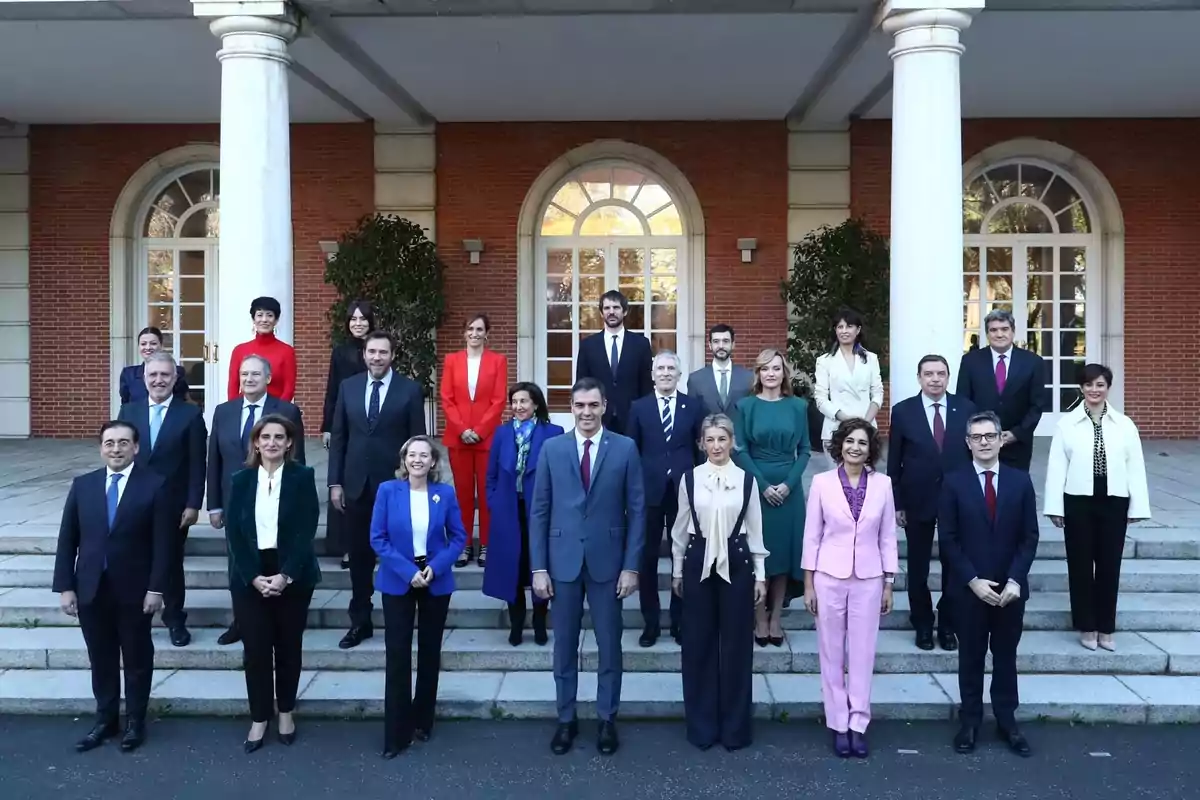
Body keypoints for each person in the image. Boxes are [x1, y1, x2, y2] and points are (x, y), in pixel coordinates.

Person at [530, 377, 646, 756]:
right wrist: (538, 568)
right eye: (579, 406)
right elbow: (540, 511)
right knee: (563, 646)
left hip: (608, 564)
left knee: (609, 646)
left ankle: (607, 719)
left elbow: (638, 511)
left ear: (604, 406)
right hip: (561, 564)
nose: (586, 413)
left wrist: (631, 567)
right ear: (571, 407)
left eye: (593, 405)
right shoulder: (552, 449)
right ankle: (566, 719)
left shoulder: (625, 448)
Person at [53, 421, 173, 753]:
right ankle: (106, 720)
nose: (116, 449)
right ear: (101, 448)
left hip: (135, 590)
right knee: (101, 659)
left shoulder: (155, 486)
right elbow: (68, 540)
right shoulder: (83, 485)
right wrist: (65, 586)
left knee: (136, 659)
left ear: (136, 447)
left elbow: (164, 545)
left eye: (123, 442)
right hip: (91, 588)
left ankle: (135, 722)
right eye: (109, 443)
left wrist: (157, 588)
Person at [939, 411, 1039, 758]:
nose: (984, 442)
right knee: (970, 657)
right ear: (967, 443)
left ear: (1000, 439)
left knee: (1006, 657)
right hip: (970, 590)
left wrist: (1015, 579)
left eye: (990, 436)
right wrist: (972, 580)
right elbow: (948, 539)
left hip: (1010, 590)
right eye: (976, 437)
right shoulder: (953, 482)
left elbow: (1029, 537)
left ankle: (1007, 721)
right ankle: (970, 721)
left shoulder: (1020, 481)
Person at [223, 414, 320, 753]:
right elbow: (234, 533)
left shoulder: (303, 477)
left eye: (279, 437)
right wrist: (252, 576)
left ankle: (286, 712)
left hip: (291, 571)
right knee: (256, 651)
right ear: (256, 442)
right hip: (250, 574)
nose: (272, 443)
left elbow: (307, 529)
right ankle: (259, 716)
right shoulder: (241, 479)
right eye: (265, 437)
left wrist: (285, 575)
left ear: (289, 443)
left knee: (289, 648)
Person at [671, 413, 767, 751]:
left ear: (731, 442)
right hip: (698, 562)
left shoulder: (745, 481)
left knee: (736, 648)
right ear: (701, 443)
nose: (716, 446)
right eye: (709, 439)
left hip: (738, 563)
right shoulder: (690, 479)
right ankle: (701, 726)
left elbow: (755, 529)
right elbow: (680, 530)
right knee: (698, 646)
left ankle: (735, 729)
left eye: (722, 439)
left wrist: (761, 575)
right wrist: (678, 570)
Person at [802, 420, 898, 759]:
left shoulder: (883, 485)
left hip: (869, 579)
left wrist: (889, 582)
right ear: (840, 445)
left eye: (863, 442)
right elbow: (812, 535)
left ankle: (858, 723)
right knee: (831, 653)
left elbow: (887, 536)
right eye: (850, 441)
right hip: (829, 576)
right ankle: (838, 723)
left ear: (871, 449)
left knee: (862, 654)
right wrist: (809, 585)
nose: (855, 447)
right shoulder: (822, 483)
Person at [328, 330, 427, 650]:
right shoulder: (349, 387)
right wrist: (335, 482)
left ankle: (399, 619)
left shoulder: (410, 390)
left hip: (396, 487)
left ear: (392, 356)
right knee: (359, 557)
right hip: (356, 485)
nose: (376, 358)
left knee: (398, 553)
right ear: (364, 354)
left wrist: (416, 485)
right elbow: (340, 438)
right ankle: (360, 620)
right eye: (371, 352)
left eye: (383, 353)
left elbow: (418, 442)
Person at [371, 436, 467, 758]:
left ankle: (422, 720)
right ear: (404, 459)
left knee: (429, 654)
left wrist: (436, 568)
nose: (417, 460)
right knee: (397, 656)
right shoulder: (387, 491)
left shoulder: (445, 494)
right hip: (399, 579)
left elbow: (458, 537)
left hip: (434, 580)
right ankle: (395, 732)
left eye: (424, 455)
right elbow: (377, 538)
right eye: (412, 454)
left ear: (433, 462)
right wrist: (405, 570)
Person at [1043, 363, 1151, 651]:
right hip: (1077, 500)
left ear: (1108, 388)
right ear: (1081, 388)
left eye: (1100, 385)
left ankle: (1106, 627)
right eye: (1089, 385)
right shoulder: (1066, 424)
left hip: (1114, 500)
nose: (1094, 390)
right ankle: (1087, 626)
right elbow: (1056, 466)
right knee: (1079, 565)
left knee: (1109, 566)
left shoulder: (1125, 424)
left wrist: (1137, 507)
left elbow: (1135, 467)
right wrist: (1055, 506)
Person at [206, 355, 306, 646]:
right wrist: (214, 504)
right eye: (244, 374)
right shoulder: (224, 411)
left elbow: (296, 457)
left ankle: (276, 617)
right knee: (238, 561)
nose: (248, 379)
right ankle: (242, 621)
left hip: (274, 498)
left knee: (272, 554)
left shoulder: (286, 410)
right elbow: (215, 459)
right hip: (235, 500)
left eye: (255, 374)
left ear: (268, 378)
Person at [886, 355, 976, 652]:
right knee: (918, 568)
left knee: (955, 565)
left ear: (948, 377)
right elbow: (894, 461)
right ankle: (922, 623)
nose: (935, 379)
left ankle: (949, 623)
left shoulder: (966, 409)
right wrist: (897, 502)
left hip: (957, 499)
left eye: (941, 373)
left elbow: (976, 455)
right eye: (929, 374)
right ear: (919, 378)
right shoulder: (903, 412)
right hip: (917, 499)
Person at [118, 351, 206, 648]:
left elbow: (197, 462)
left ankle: (175, 618)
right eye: (153, 375)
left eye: (165, 375)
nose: (159, 380)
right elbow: (119, 457)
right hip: (135, 502)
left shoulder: (190, 414)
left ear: (175, 378)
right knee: (134, 560)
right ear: (144, 378)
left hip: (174, 504)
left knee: (170, 561)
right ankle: (135, 616)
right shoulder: (129, 412)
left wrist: (194, 503)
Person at [627, 350, 704, 647]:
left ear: (679, 374)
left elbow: (700, 450)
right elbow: (631, 452)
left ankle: (679, 620)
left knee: (681, 556)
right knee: (647, 559)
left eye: (671, 368)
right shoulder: (639, 407)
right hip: (648, 492)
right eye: (660, 368)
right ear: (652, 374)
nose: (666, 373)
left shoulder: (693, 406)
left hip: (684, 491)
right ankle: (651, 623)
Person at [734, 349, 811, 647]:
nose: (771, 374)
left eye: (776, 368)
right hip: (755, 485)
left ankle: (776, 616)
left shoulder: (798, 407)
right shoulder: (745, 406)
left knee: (782, 555)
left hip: (789, 490)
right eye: (765, 368)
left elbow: (805, 450)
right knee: (759, 552)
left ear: (784, 373)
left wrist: (789, 485)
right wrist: (763, 485)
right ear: (758, 374)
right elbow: (740, 451)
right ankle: (759, 618)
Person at [482, 382, 564, 646]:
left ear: (536, 404)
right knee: (511, 569)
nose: (518, 407)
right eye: (514, 402)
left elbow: (559, 474)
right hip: (508, 510)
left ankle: (540, 622)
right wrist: (494, 501)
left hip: (539, 510)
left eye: (524, 401)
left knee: (538, 564)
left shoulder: (553, 432)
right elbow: (491, 474)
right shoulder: (502, 433)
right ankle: (516, 624)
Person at [440, 313, 509, 568]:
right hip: (458, 439)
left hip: (487, 438)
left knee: (488, 494)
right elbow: (446, 398)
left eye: (480, 329)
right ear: (464, 332)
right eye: (470, 329)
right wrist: (461, 429)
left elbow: (499, 399)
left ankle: (487, 545)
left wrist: (479, 429)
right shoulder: (451, 360)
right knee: (463, 495)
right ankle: (464, 544)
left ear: (486, 333)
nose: (475, 333)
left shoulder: (498, 361)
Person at [956, 309, 1048, 470]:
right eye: (993, 330)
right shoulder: (970, 361)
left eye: (1004, 329)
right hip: (980, 443)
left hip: (1017, 444)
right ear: (987, 333)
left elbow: (1037, 404)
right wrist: (976, 434)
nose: (999, 334)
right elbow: (963, 401)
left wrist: (1016, 434)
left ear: (1013, 331)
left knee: (1014, 491)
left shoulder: (1033, 362)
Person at [321, 299, 375, 568]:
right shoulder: (340, 352)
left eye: (363, 319)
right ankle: (346, 548)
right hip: (346, 425)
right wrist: (328, 426)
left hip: (373, 425)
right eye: (353, 319)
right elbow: (332, 390)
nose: (358, 324)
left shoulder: (378, 350)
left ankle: (374, 546)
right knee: (344, 483)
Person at [575, 289, 653, 434]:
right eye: (607, 308)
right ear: (601, 313)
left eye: (616, 307)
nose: (611, 312)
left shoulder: (641, 344)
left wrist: (646, 416)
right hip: (599, 417)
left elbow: (647, 384)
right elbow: (582, 383)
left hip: (632, 417)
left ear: (625, 312)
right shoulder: (588, 345)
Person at [813, 308, 883, 464]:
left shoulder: (871, 359)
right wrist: (847, 420)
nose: (844, 331)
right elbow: (820, 398)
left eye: (849, 326)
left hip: (866, 428)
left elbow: (877, 393)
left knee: (865, 481)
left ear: (858, 330)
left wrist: (865, 422)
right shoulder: (824, 361)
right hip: (836, 428)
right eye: (840, 327)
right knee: (837, 482)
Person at [227, 296, 297, 402]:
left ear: (276, 320)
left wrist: (278, 413)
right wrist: (234, 410)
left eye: (269, 315)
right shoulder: (239, 350)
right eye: (259, 315)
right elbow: (233, 386)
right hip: (246, 411)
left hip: (274, 413)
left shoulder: (287, 351)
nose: (264, 320)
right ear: (253, 319)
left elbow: (289, 388)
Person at [686, 324, 753, 428]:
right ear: (710, 345)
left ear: (733, 344)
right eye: (716, 341)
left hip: (740, 441)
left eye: (725, 341)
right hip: (709, 441)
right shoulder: (695, 380)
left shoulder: (748, 378)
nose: (721, 346)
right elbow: (692, 417)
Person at [118, 326, 189, 404]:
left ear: (161, 345)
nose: (148, 347)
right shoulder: (128, 374)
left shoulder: (177, 371)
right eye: (143, 344)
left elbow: (181, 400)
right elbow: (125, 404)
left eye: (153, 343)